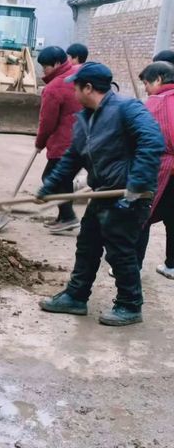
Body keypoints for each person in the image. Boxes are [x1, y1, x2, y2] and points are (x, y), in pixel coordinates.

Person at [37, 62, 164, 326]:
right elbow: (72, 157)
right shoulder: (85, 118)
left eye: (76, 87)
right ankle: (76, 296)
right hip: (103, 192)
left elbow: (152, 142)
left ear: (88, 88)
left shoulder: (127, 108)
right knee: (87, 245)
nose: (73, 92)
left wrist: (137, 184)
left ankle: (130, 305)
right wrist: (50, 186)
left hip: (129, 196)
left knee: (120, 252)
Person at [36, 46, 82, 233]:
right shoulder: (78, 74)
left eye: (45, 67)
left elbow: (47, 121)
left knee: (51, 178)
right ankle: (63, 217)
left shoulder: (54, 87)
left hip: (64, 142)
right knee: (65, 179)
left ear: (55, 64)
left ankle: (69, 217)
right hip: (82, 138)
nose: (43, 72)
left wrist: (40, 142)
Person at [136, 61, 174, 279]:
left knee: (142, 217)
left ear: (159, 79)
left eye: (146, 84)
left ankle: (133, 266)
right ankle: (172, 265)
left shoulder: (156, 103)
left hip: (161, 171)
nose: (146, 90)